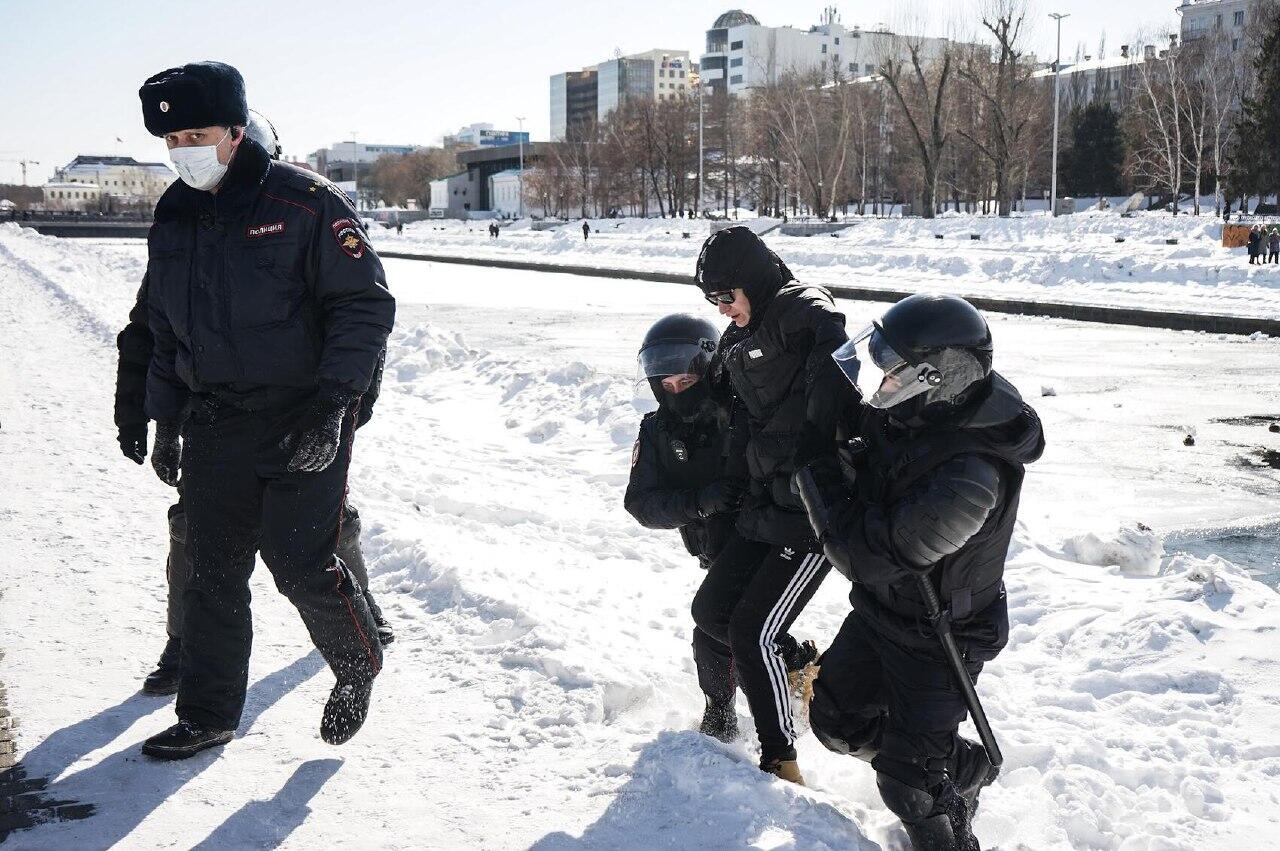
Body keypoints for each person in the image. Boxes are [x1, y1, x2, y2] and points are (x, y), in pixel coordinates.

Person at [136, 61, 395, 759]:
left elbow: (364, 304)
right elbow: (163, 325)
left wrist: (335, 407)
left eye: (197, 132)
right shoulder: (174, 214)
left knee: (297, 558)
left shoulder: (305, 203)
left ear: (236, 130)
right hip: (217, 417)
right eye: (171, 138)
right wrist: (167, 420)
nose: (183, 148)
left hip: (302, 412)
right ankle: (208, 712)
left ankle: (357, 661)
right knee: (211, 571)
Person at [798, 294, 1045, 851]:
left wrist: (816, 472)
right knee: (837, 720)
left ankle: (946, 806)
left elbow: (867, 554)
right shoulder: (916, 411)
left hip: (943, 634)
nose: (879, 381)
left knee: (909, 785)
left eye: (893, 371)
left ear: (940, 377)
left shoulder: (971, 475)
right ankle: (959, 765)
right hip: (888, 609)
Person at [690, 225, 847, 785]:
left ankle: (780, 760)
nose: (722, 308)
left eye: (727, 296)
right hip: (765, 507)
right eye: (711, 300)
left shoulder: (800, 312)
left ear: (753, 282)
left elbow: (832, 345)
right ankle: (798, 667)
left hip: (812, 515)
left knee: (751, 631)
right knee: (712, 613)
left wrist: (813, 445)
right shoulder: (735, 343)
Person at [624, 314, 817, 744]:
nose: (675, 392)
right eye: (665, 385)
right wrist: (700, 502)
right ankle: (738, 707)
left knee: (731, 629)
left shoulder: (742, 408)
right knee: (715, 628)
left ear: (707, 371)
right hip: (714, 546)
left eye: (685, 382)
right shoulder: (655, 430)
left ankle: (776, 711)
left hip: (768, 540)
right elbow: (640, 503)